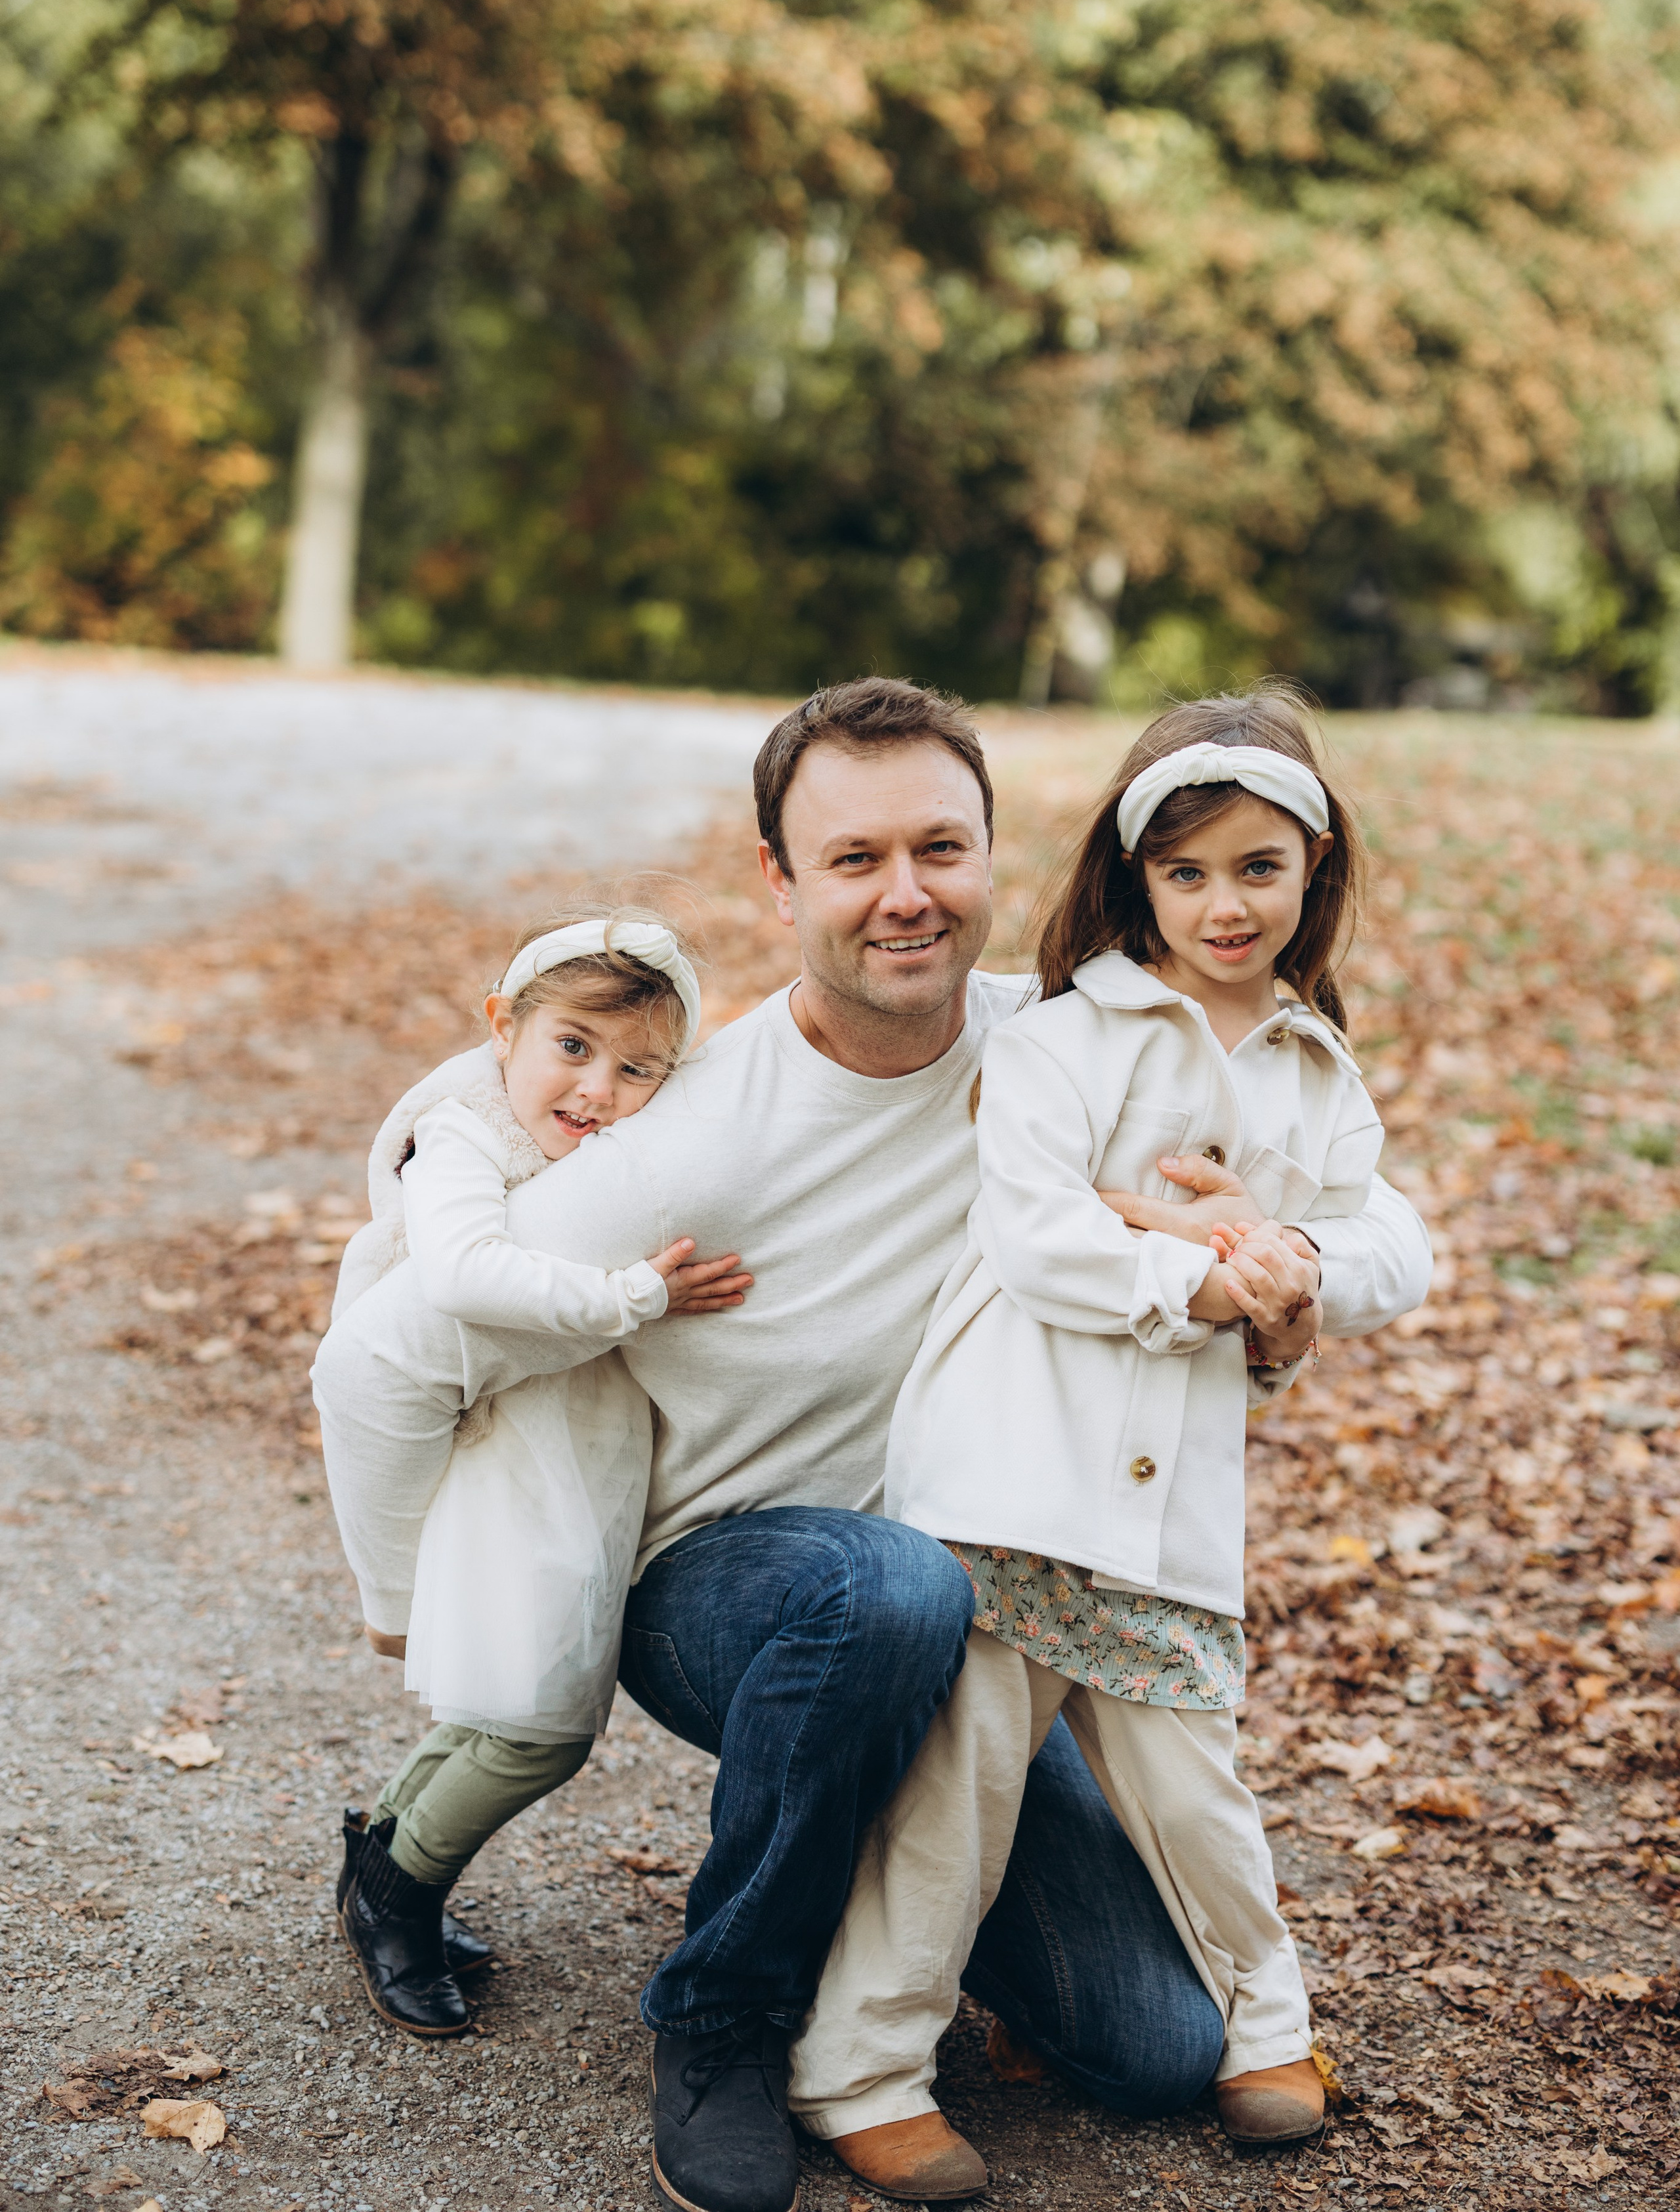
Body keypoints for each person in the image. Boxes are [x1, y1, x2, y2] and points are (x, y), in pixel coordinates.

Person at [312, 677, 1432, 2212]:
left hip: (986, 1592)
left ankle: (895, 1900)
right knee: (884, 1592)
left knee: (1158, 2046)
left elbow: (1341, 1217)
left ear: (992, 854)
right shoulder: (687, 1133)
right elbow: (386, 1359)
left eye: (939, 848)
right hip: (735, 1590)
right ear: (779, 881)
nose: (904, 896)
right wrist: (398, 1598)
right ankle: (724, 2018)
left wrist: (1280, 1288)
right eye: (851, 859)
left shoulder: (1055, 1046)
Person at [787, 691, 1391, 2191]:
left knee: (1195, 1784)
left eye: (1257, 868)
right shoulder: (1067, 1038)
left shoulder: (1316, 1066)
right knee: (961, 1789)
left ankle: (1267, 2031)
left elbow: (1391, 1241)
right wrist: (1199, 1275)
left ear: (1312, 870)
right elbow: (1041, 1237)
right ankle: (857, 2066)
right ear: (1135, 883)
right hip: (1012, 1470)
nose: (1223, 904)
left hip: (1165, 1509)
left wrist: (1294, 1265)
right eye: (1184, 874)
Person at [314, 912, 747, 2038]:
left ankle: (383, 1860)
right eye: (572, 1046)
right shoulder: (463, 1138)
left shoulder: (605, 1150)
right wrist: (634, 1300)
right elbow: (459, 1274)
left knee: (504, 1694)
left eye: (638, 1067)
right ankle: (400, 1894)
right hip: (507, 1450)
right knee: (539, 1723)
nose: (598, 1088)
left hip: (577, 1449)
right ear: (504, 1025)